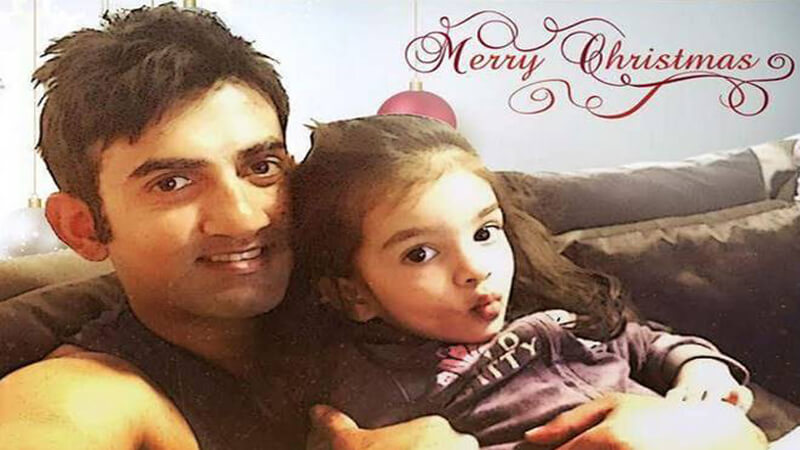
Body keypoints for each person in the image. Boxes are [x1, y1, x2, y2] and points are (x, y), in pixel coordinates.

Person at [0, 4, 769, 450]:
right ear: (82, 227)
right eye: (172, 182)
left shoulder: (402, 274)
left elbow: (704, 397)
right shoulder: (89, 394)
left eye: (261, 166)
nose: (243, 217)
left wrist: (706, 429)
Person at [292, 114, 764, 448]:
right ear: (354, 294)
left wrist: (702, 371)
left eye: (484, 233)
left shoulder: (554, 315)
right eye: (420, 254)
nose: (474, 268)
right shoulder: (379, 387)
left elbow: (646, 343)